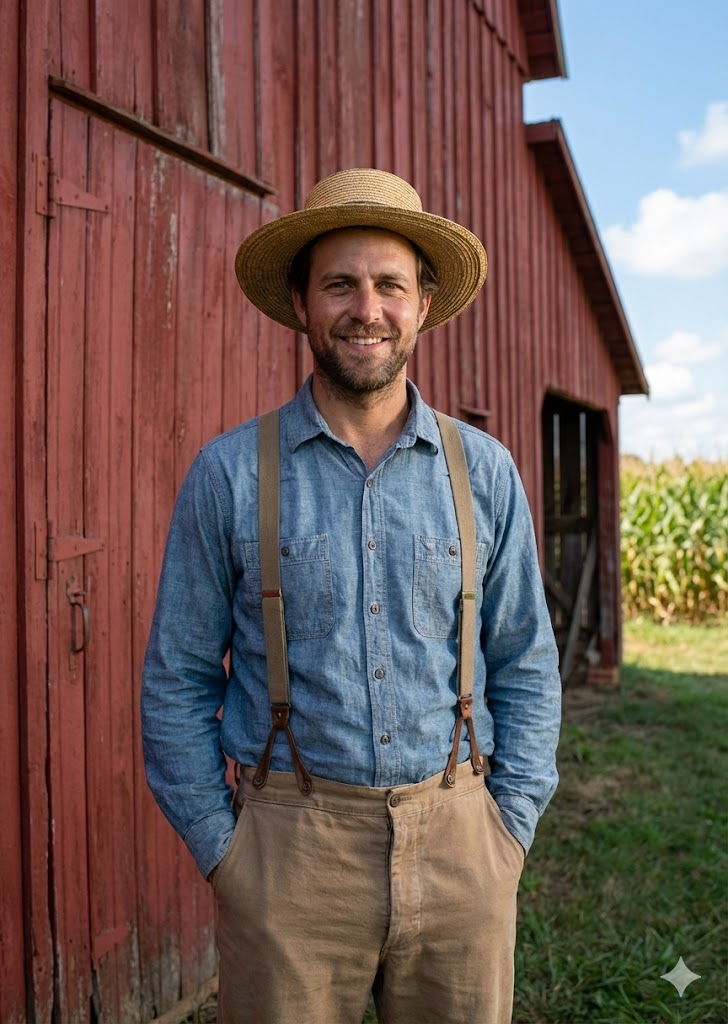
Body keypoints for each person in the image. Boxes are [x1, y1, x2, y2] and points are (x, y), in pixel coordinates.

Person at [142, 167, 561, 1024]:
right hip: (288, 858)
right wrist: (227, 853)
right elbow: (176, 678)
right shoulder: (229, 473)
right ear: (302, 303)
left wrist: (508, 828)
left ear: (423, 305)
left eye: (389, 285)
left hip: (462, 847)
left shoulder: (484, 472)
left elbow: (526, 660)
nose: (366, 309)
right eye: (340, 284)